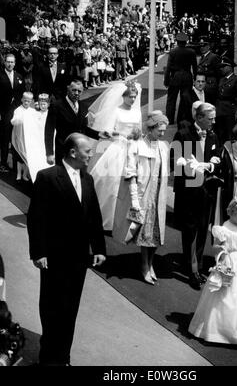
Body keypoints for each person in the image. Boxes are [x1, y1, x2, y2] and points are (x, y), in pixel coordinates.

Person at [27, 133, 106, 366]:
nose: (91, 155)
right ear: (73, 152)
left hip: (79, 257)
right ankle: (49, 359)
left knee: (70, 309)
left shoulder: (87, 179)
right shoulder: (47, 177)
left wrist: (99, 248)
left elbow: (94, 217)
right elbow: (36, 217)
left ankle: (63, 358)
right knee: (52, 309)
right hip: (53, 256)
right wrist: (38, 252)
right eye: (88, 151)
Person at [188, 196, 237, 347]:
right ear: (231, 212)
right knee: (223, 296)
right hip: (229, 263)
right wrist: (222, 253)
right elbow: (216, 248)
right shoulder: (223, 229)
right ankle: (216, 331)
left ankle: (235, 332)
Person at [113, 111, 169, 285]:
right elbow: (131, 173)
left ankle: (151, 263)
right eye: (159, 130)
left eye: (164, 131)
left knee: (156, 233)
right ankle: (144, 265)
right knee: (144, 233)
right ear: (150, 129)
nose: (162, 134)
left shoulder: (163, 146)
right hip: (143, 194)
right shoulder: (136, 145)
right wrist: (135, 200)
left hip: (158, 194)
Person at [172, 103, 221, 290]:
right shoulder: (183, 135)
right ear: (199, 118)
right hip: (189, 193)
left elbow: (217, 159)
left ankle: (198, 267)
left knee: (202, 230)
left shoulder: (213, 135)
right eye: (211, 118)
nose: (214, 121)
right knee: (190, 231)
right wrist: (191, 167)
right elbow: (175, 163)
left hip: (206, 192)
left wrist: (209, 166)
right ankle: (192, 270)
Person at [88, 80, 142, 233]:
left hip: (133, 148)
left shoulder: (137, 112)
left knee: (131, 185)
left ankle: (126, 219)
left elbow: (139, 130)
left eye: (134, 97)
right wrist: (124, 134)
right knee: (112, 183)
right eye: (130, 96)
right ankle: (109, 219)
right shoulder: (116, 111)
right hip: (118, 147)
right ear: (123, 96)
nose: (133, 99)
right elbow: (109, 131)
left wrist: (137, 136)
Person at [44, 80, 102, 165]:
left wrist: (99, 134)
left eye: (79, 91)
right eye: (74, 90)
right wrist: (49, 154)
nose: (76, 93)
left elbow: (83, 129)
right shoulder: (56, 106)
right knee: (63, 176)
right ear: (68, 89)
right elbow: (49, 131)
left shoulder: (83, 106)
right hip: (63, 150)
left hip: (80, 151)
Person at [164, 32, 197, 126]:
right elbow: (195, 67)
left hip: (175, 76)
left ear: (177, 41)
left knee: (171, 99)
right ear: (186, 41)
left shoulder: (173, 52)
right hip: (187, 76)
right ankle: (183, 118)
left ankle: (169, 119)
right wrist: (195, 78)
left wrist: (167, 80)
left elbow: (168, 68)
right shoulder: (191, 52)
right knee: (185, 98)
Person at [0, 53, 25, 172]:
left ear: (15, 63)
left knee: (16, 138)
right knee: (5, 139)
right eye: (8, 62)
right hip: (4, 111)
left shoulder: (19, 76)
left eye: (12, 62)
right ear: (4, 62)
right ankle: (3, 163)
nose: (10, 64)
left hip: (17, 112)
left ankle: (16, 164)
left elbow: (22, 94)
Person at [215, 57, 237, 145]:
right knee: (220, 135)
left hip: (230, 112)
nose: (221, 68)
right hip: (219, 111)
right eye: (221, 67)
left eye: (224, 66)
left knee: (231, 135)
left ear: (230, 67)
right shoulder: (221, 80)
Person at [11, 91, 35, 181]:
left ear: (31, 101)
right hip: (20, 136)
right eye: (25, 100)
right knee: (19, 157)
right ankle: (18, 174)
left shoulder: (32, 111)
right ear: (22, 100)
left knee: (28, 157)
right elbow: (13, 121)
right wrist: (22, 118)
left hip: (28, 138)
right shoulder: (18, 110)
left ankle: (25, 174)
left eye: (28, 101)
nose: (26, 103)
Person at [197, 38, 221, 105]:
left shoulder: (214, 57)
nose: (202, 48)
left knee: (210, 106)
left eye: (204, 45)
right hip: (202, 85)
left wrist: (218, 86)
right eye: (200, 46)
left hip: (210, 85)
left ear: (209, 46)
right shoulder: (201, 58)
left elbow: (218, 73)